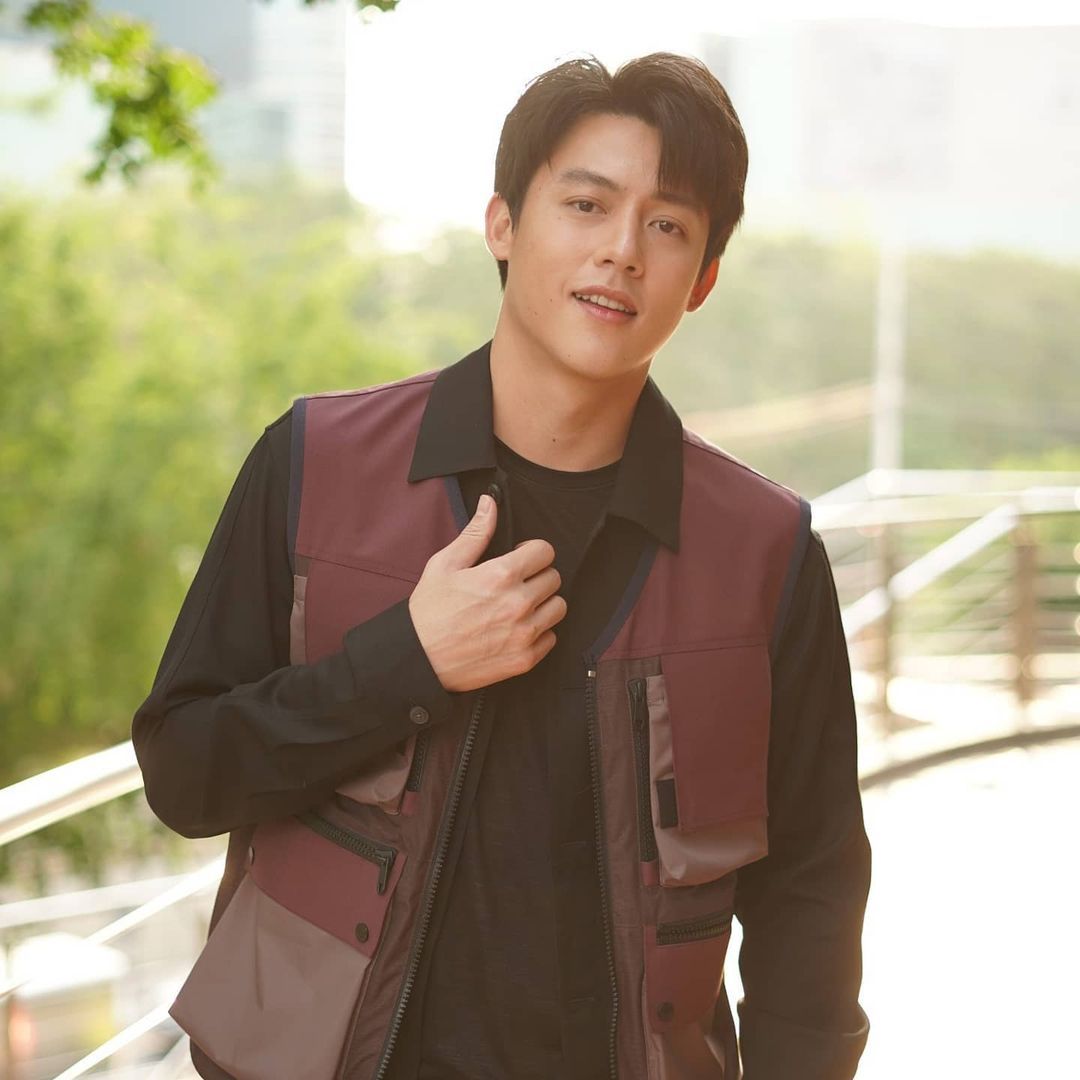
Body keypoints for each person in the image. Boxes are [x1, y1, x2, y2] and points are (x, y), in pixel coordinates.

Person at [132, 51, 870, 1080]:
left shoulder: (766, 550)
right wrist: (405, 662)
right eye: (586, 204)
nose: (621, 251)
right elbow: (183, 772)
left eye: (667, 226)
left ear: (702, 280)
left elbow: (811, 900)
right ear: (503, 225)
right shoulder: (313, 464)